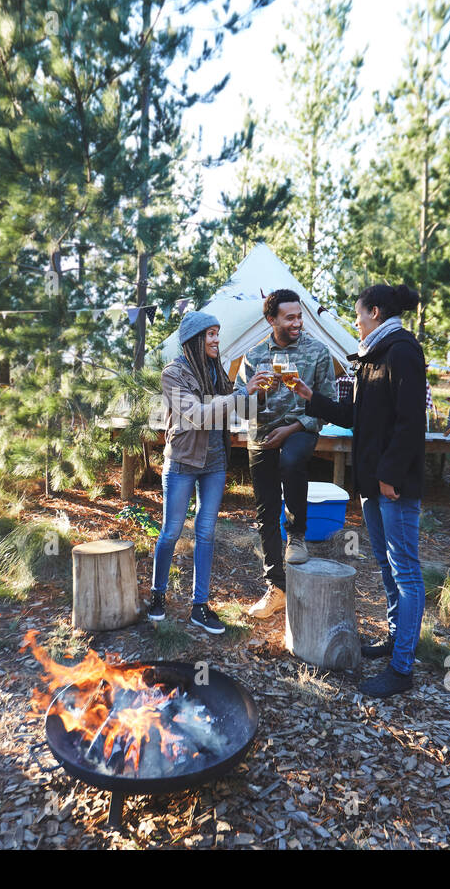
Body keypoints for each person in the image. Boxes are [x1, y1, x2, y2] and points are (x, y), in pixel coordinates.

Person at [290, 284, 427, 698]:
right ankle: (392, 638)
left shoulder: (402, 351)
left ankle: (402, 668)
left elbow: (409, 423)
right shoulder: (371, 355)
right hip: (370, 481)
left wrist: (390, 475)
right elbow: (354, 416)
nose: (355, 320)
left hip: (393, 483)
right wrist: (311, 398)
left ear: (376, 311)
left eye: (358, 313)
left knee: (406, 571)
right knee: (386, 565)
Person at [148, 311, 274, 634]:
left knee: (206, 532)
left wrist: (258, 391)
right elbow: (199, 416)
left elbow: (239, 410)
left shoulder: (218, 370)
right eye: (210, 334)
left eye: (217, 333)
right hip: (182, 461)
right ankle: (157, 594)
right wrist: (239, 396)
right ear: (194, 339)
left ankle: (199, 606)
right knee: (172, 531)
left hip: (215, 463)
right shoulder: (173, 373)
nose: (217, 339)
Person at [238, 289, 336, 620]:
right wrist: (259, 395)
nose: (297, 322)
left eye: (299, 316)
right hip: (262, 436)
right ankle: (276, 588)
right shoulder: (253, 355)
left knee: (293, 460)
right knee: (265, 511)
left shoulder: (317, 351)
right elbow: (243, 410)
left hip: (300, 430)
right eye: (290, 317)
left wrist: (293, 428)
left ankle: (297, 535)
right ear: (271, 320)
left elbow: (328, 405)